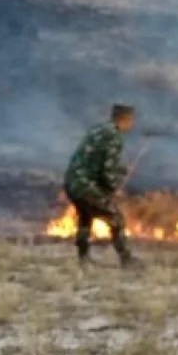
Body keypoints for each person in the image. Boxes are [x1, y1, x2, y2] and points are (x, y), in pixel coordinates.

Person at [63, 104, 140, 268]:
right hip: (85, 185)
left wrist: (121, 170)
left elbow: (95, 160)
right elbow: (107, 170)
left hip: (72, 182)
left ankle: (83, 258)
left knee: (85, 217)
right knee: (116, 217)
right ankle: (126, 259)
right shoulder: (114, 137)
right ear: (125, 119)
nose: (132, 124)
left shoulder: (98, 130)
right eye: (131, 120)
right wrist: (115, 187)